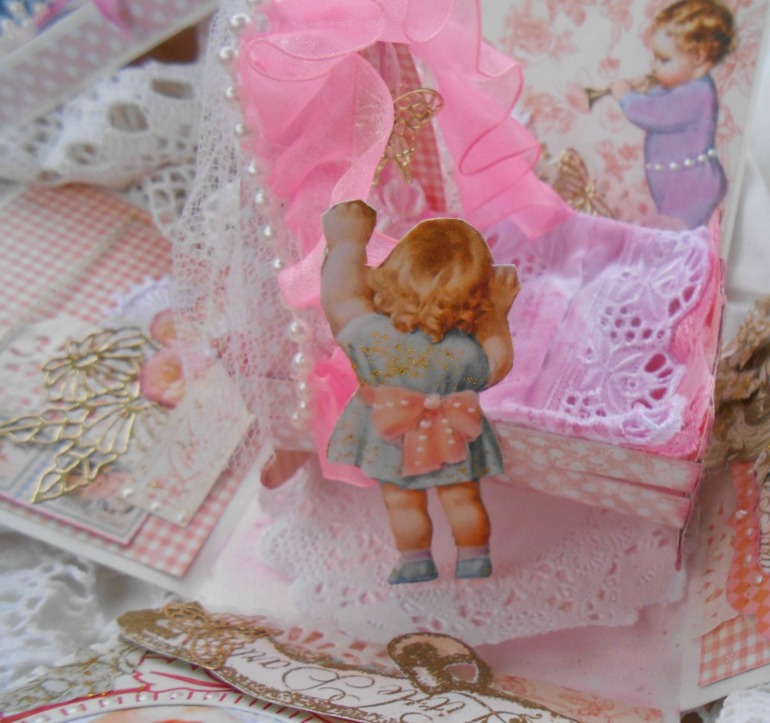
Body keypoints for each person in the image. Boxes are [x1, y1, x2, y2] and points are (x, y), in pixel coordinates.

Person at [321, 200, 519, 584]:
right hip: (451, 432)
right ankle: (474, 559)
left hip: (389, 433)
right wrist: (496, 313)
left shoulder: (373, 337)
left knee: (402, 501)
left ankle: (415, 563)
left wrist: (348, 243)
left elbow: (340, 299)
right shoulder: (464, 352)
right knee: (462, 497)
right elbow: (498, 363)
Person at [610, 0, 734, 228]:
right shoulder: (686, 87)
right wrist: (650, 90)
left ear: (698, 58)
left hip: (692, 186)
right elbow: (665, 102)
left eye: (664, 60)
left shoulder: (697, 93)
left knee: (680, 232)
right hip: (678, 183)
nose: (655, 67)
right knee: (674, 229)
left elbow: (656, 113)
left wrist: (627, 97)